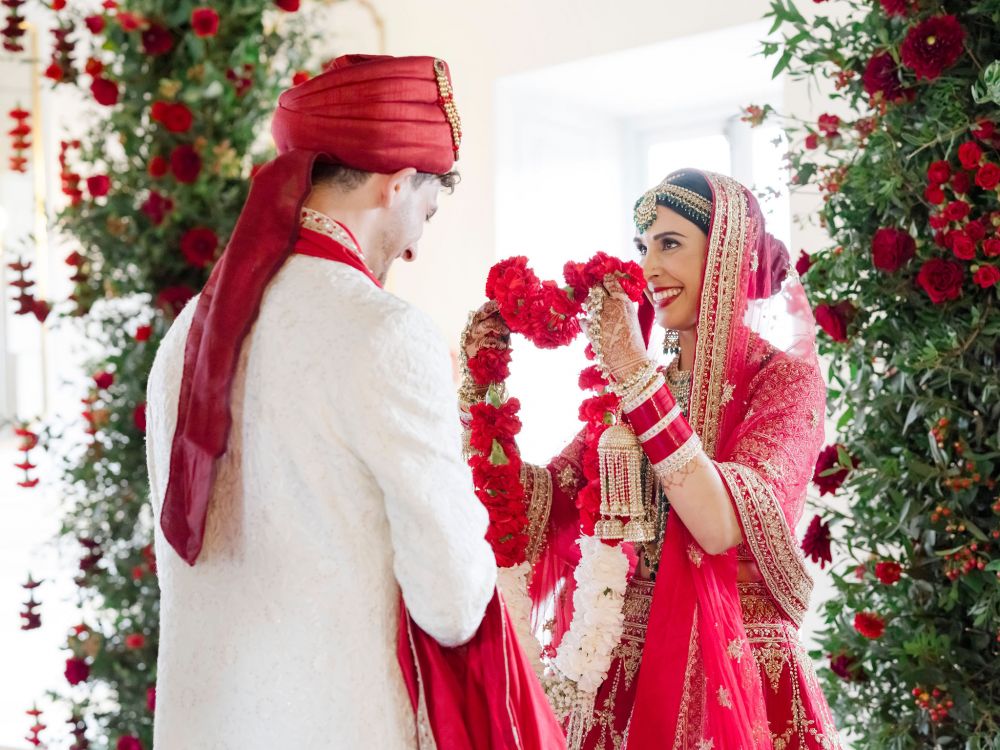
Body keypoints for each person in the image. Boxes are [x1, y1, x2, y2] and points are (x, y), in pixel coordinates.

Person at [145, 54, 561, 749]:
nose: (418, 245)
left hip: (207, 726)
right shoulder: (384, 332)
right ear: (396, 186)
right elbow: (454, 602)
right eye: (426, 212)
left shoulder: (189, 332)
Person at [463, 169, 842, 748]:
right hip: (620, 673)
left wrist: (636, 376)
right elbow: (546, 506)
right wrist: (483, 401)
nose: (650, 268)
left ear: (726, 256)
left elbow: (718, 526)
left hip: (733, 673)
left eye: (670, 244)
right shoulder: (636, 392)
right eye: (644, 247)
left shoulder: (782, 382)